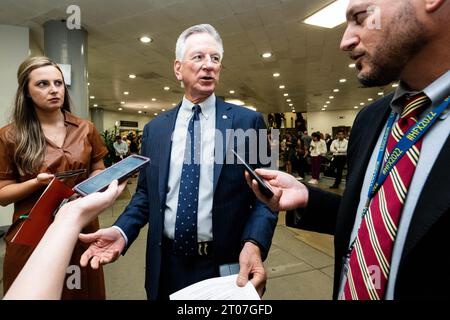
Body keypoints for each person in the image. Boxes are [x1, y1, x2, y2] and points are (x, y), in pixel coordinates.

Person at [245, 0, 449, 300]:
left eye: (361, 17)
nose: (345, 41)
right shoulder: (370, 119)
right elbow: (375, 220)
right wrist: (308, 199)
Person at [78, 24, 277, 300]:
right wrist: (122, 231)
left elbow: (269, 196)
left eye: (215, 58)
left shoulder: (248, 123)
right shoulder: (156, 130)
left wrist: (254, 243)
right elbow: (146, 195)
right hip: (166, 265)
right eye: (198, 57)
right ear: (178, 68)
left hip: (225, 265)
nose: (208, 65)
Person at [0, 56, 109, 299]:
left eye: (58, 83)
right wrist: (34, 183)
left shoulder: (85, 128)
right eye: (42, 84)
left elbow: (98, 168)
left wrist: (95, 185)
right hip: (33, 233)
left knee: (82, 293)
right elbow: (2, 195)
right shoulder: (10, 136)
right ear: (26, 92)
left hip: (81, 228)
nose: (53, 90)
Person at [3, 180, 126, 300]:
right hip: (30, 233)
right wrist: (73, 215)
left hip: (76, 231)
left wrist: (71, 215)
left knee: (79, 288)